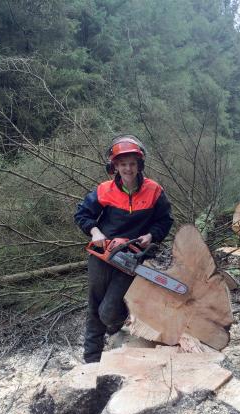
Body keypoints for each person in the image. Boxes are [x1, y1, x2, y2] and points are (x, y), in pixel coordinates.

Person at [74, 135, 173, 363]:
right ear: (115, 166)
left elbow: (165, 220)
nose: (128, 169)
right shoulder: (104, 190)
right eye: (122, 164)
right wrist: (95, 232)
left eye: (132, 163)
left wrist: (151, 236)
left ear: (139, 165)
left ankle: (117, 325)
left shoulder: (154, 191)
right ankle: (91, 359)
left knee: (108, 311)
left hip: (132, 258)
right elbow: (82, 214)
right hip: (103, 254)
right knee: (95, 306)